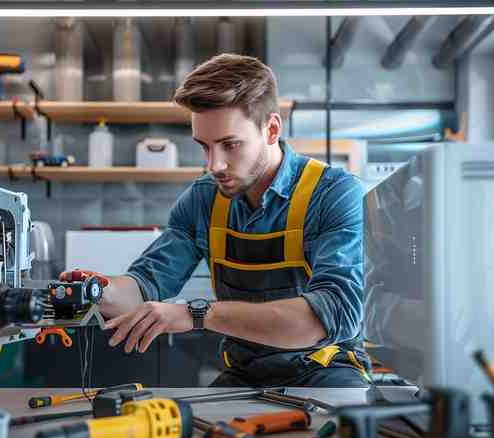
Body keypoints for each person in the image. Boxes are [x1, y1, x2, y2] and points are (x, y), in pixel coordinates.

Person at [61, 54, 369, 387]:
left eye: (230, 145)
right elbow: (145, 284)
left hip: (328, 370)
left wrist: (196, 314)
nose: (214, 165)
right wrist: (99, 291)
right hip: (246, 374)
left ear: (272, 129)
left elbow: (333, 315)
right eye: (205, 147)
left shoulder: (333, 193)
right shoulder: (204, 199)